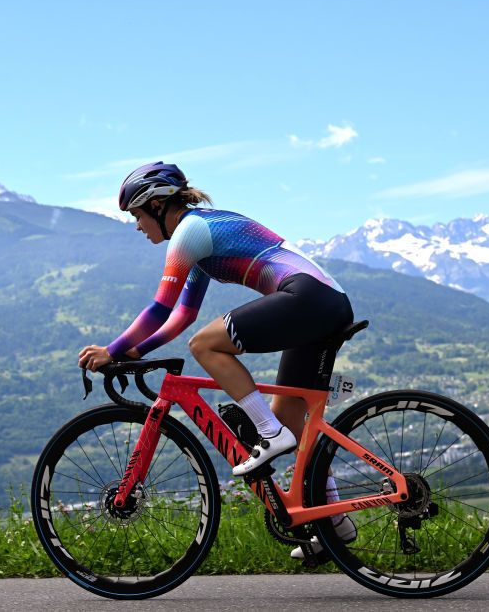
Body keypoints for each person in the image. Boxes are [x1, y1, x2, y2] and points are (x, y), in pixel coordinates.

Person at [77, 161, 356, 559]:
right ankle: (335, 525)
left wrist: (112, 350)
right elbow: (181, 316)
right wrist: (135, 353)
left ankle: (268, 435)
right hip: (322, 304)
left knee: (205, 345)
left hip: (309, 298)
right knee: (294, 423)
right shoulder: (201, 237)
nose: (137, 226)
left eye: (137, 215)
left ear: (157, 205)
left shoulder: (189, 233)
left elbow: (159, 309)